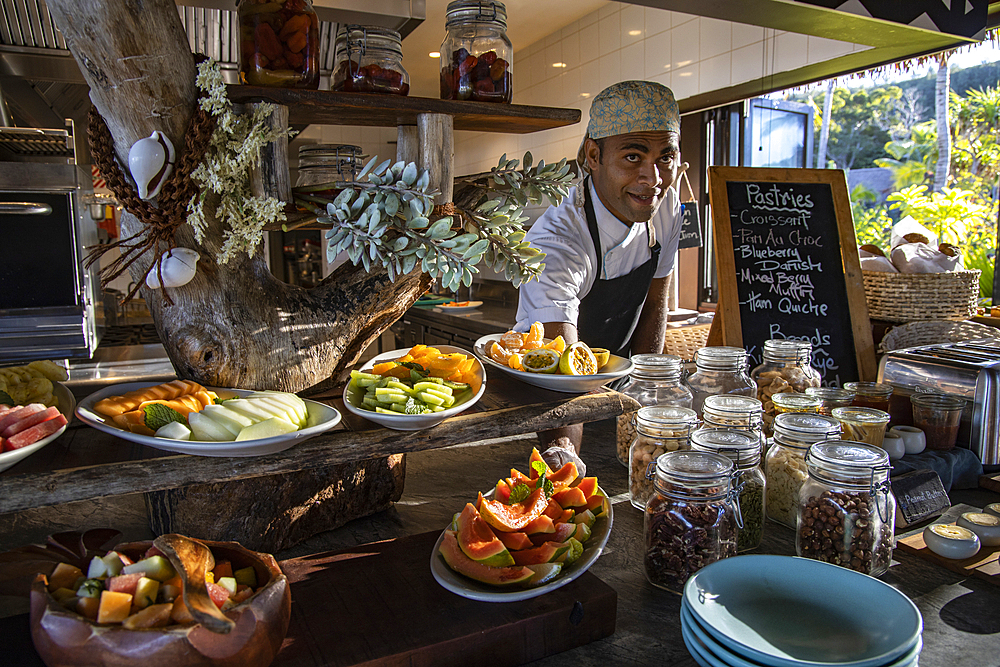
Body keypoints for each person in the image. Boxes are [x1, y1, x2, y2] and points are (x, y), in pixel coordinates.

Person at [514, 80, 684, 454]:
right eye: (633, 157)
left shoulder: (667, 208)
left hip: (617, 391)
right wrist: (564, 461)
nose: (652, 180)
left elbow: (656, 303)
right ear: (593, 155)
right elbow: (563, 366)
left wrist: (643, 422)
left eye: (665, 158)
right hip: (554, 401)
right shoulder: (557, 241)